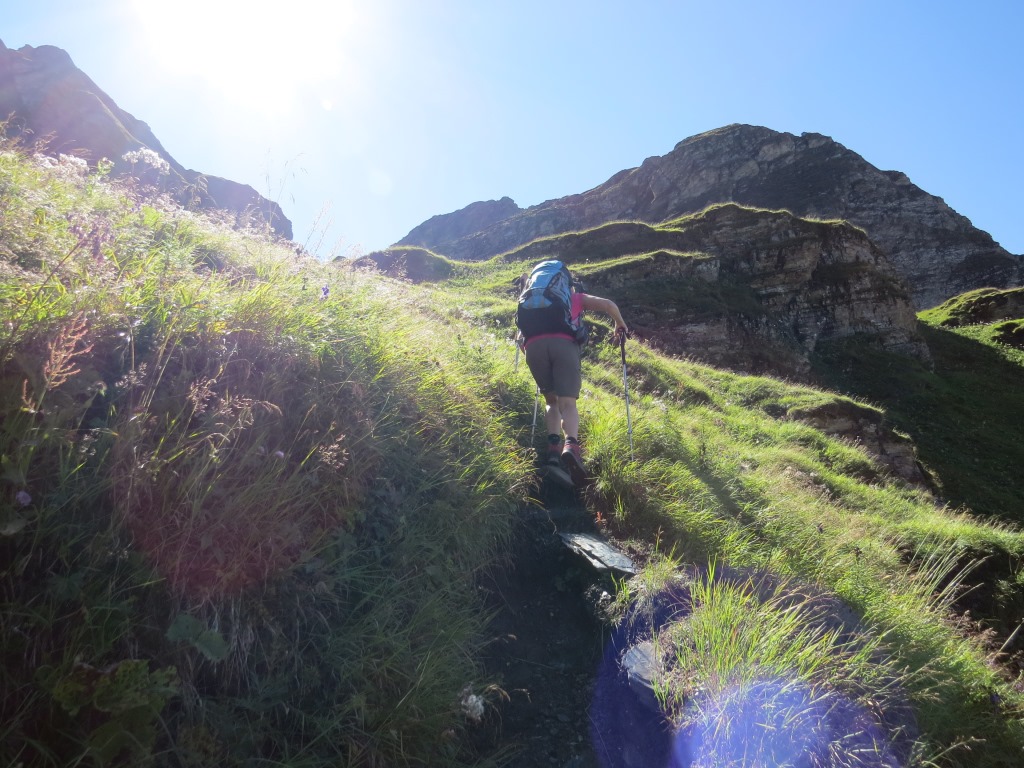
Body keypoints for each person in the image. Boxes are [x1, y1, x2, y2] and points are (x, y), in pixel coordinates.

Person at [519, 264, 628, 478]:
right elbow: (608, 305)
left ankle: (553, 449)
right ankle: (571, 446)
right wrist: (620, 324)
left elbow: (520, 334)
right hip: (564, 345)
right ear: (566, 283)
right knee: (567, 403)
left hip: (534, 347)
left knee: (551, 401)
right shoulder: (575, 298)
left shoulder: (529, 299)